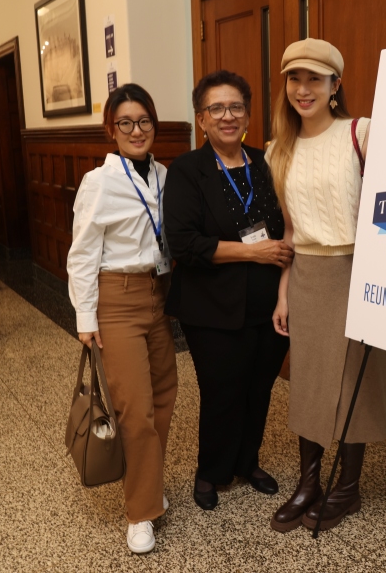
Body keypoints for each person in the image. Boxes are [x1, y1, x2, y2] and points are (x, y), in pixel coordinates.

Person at [268, 39, 386, 533]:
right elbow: (291, 231)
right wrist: (283, 290)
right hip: (308, 274)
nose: (303, 89)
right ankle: (309, 483)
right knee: (310, 382)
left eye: (315, 79)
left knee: (354, 379)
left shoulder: (362, 133)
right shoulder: (279, 149)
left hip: (358, 268)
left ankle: (348, 489)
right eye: (295, 79)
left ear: (335, 86)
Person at [164, 71, 293, 511]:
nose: (227, 116)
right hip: (211, 306)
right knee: (221, 391)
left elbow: (286, 228)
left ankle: (247, 462)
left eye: (235, 107)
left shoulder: (267, 162)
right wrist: (251, 254)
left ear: (248, 115)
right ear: (201, 119)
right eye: (216, 108)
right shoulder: (186, 170)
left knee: (259, 388)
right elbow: (184, 244)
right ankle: (211, 471)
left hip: (269, 302)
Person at [66, 83, 178, 554]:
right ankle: (140, 513)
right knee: (134, 408)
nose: (137, 130)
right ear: (111, 130)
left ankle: (147, 483)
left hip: (157, 294)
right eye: (126, 123)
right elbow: (82, 254)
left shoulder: (164, 175)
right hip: (116, 298)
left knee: (165, 396)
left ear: (155, 125)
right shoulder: (100, 181)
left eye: (145, 121)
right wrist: (86, 319)